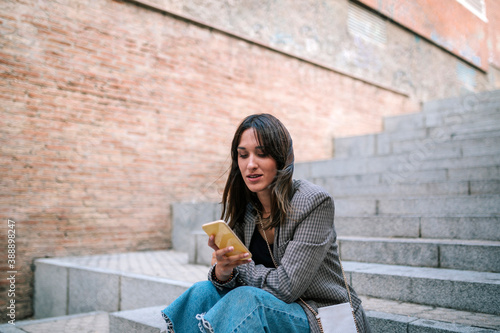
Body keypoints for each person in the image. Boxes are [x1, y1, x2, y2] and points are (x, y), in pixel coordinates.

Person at [161, 113, 371, 332]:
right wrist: (224, 272)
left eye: (261, 154)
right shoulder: (247, 207)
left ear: (280, 158)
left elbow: (286, 286)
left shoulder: (314, 202)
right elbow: (235, 280)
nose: (250, 164)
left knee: (248, 298)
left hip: (319, 314)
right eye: (243, 155)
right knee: (201, 292)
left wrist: (239, 269)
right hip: (268, 307)